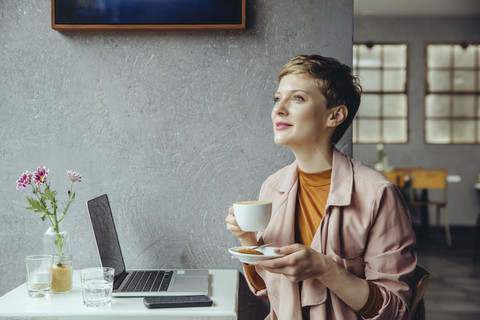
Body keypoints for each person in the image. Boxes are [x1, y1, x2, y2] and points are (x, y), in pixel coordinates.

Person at [225, 54, 417, 320]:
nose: (279, 109)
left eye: (298, 98)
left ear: (335, 115)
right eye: (277, 98)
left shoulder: (378, 194)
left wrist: (324, 269)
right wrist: (248, 241)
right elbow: (270, 293)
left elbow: (395, 311)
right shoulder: (273, 187)